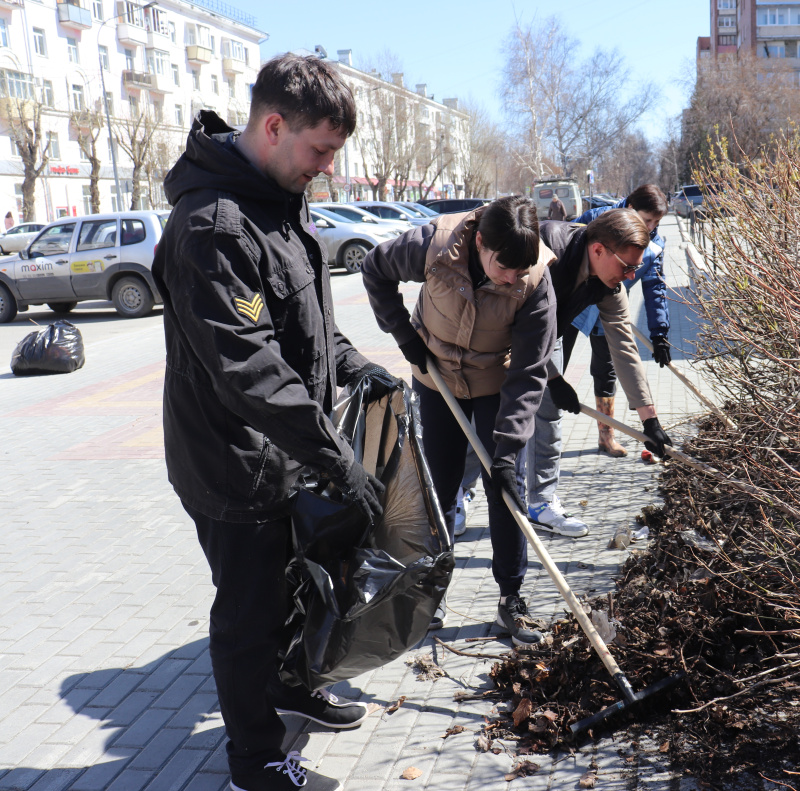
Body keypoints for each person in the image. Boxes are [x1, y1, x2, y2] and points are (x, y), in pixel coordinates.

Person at [153, 54, 394, 791]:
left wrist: (353, 364)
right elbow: (250, 367)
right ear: (274, 125)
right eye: (319, 151)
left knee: (296, 586)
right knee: (248, 613)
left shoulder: (276, 201)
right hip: (233, 462)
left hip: (285, 449)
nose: (323, 168)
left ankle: (291, 689)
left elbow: (306, 323)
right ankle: (253, 762)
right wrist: (336, 457)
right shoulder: (212, 227)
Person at [361, 195, 557, 646]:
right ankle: (432, 592)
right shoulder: (435, 244)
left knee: (506, 489)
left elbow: (528, 374)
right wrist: (406, 338)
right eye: (503, 266)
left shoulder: (536, 280)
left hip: (495, 380)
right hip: (437, 377)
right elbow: (375, 269)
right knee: (441, 486)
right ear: (481, 242)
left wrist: (506, 451)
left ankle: (511, 597)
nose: (512, 278)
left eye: (519, 272)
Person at [525, 209, 673, 534]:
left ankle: (541, 503)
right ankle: (459, 496)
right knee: (487, 414)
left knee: (548, 416)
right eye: (627, 266)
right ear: (597, 250)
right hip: (499, 326)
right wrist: (553, 377)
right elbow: (523, 328)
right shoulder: (545, 255)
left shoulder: (610, 285)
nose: (632, 276)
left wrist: (650, 420)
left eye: (636, 267)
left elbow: (624, 346)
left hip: (551, 332)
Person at [569, 184, 670, 456]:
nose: (650, 227)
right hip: (571, 304)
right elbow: (566, 248)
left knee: (607, 371)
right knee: (554, 364)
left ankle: (607, 435)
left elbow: (655, 288)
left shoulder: (656, 244)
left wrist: (659, 332)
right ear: (629, 209)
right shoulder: (598, 219)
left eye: (656, 222)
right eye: (646, 220)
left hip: (610, 302)